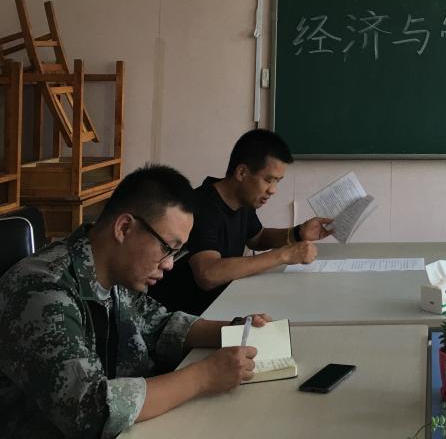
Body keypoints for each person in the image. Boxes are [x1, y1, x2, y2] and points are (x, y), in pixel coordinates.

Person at [0, 165, 271, 438]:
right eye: (167, 248)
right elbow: (89, 409)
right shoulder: (43, 291)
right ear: (125, 228)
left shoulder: (115, 271)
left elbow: (159, 324)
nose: (169, 264)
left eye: (176, 252)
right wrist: (205, 376)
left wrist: (236, 330)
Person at [151, 129, 333, 315]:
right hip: (184, 317)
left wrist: (298, 233)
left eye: (277, 182)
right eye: (269, 180)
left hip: (222, 303)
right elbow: (208, 274)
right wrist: (284, 255)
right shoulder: (201, 207)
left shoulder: (243, 201)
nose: (273, 190)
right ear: (242, 172)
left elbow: (258, 238)